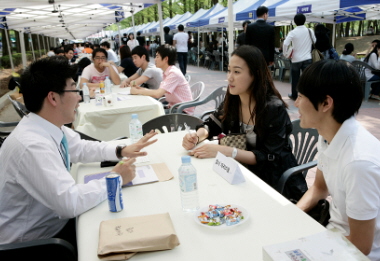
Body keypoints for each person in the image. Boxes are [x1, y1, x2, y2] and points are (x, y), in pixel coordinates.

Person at [0, 56, 157, 248]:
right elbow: (69, 203)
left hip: (50, 226)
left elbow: (80, 148)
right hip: (35, 243)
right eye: (74, 89)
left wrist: (121, 149)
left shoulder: (45, 125)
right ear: (53, 97)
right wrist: (114, 178)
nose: (80, 96)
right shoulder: (32, 145)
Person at [294, 59, 380, 261]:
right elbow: (320, 187)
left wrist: (305, 247)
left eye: (301, 96)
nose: (296, 103)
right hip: (333, 234)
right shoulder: (329, 136)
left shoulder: (359, 164)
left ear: (326, 104)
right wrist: (293, 215)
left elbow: (361, 245)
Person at [182, 45, 307, 200]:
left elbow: (270, 156)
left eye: (237, 72)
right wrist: (197, 136)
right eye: (229, 70)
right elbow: (213, 124)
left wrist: (228, 152)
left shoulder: (273, 109)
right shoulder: (233, 98)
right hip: (240, 173)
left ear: (255, 74)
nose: (230, 77)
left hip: (272, 182)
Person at [131, 45, 194, 115]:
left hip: (182, 112)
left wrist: (138, 91)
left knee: (148, 114)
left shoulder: (173, 73)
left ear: (166, 59)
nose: (155, 59)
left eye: (157, 57)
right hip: (174, 107)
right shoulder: (167, 72)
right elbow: (159, 92)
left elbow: (158, 94)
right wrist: (141, 90)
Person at [283, 13, 315, 101]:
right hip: (307, 57)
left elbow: (285, 43)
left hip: (296, 59)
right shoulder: (310, 31)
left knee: (295, 79)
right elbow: (314, 41)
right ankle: (308, 95)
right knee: (307, 78)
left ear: (295, 22)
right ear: (304, 21)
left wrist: (285, 53)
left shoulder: (293, 32)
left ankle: (294, 95)